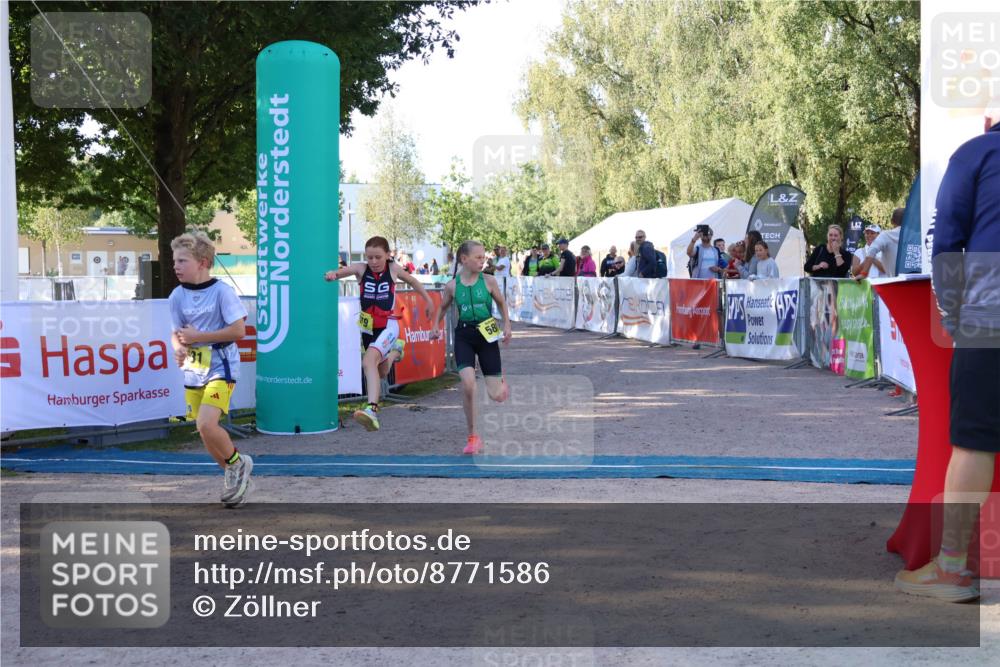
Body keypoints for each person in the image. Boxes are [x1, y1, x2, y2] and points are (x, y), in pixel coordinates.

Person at [895, 107, 1000, 602]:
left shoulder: (975, 153)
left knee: (974, 442)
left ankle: (953, 570)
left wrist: (957, 320)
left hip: (989, 312)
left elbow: (947, 245)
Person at [168, 231, 252, 508]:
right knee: (204, 430)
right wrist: (179, 348)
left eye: (182, 261)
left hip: (222, 366)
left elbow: (239, 331)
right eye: (174, 261)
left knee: (206, 423)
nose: (176, 266)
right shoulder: (177, 296)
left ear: (202, 263)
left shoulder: (222, 292)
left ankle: (238, 465)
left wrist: (198, 337)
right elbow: (177, 334)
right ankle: (234, 472)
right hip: (194, 370)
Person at [324, 236, 435, 432]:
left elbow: (412, 281)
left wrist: (428, 300)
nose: (374, 262)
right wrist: (333, 274)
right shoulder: (361, 269)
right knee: (382, 372)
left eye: (378, 257)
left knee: (368, 362)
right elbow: (342, 272)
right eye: (370, 257)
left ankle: (372, 410)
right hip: (368, 328)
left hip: (388, 326)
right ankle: (396, 352)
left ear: (388, 255)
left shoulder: (393, 269)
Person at [431, 240, 512, 454]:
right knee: (468, 384)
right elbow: (442, 307)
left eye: (483, 257)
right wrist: (435, 326)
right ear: (464, 259)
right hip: (464, 336)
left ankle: (500, 383)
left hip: (487, 335)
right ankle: (473, 437)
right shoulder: (452, 286)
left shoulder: (489, 281)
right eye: (478, 257)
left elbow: (501, 303)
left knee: (496, 395)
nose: (482, 261)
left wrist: (507, 325)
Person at [857, 208, 904, 278]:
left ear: (892, 221)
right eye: (867, 233)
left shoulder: (886, 235)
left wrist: (864, 273)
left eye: (872, 233)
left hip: (894, 281)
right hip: (916, 281)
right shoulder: (917, 236)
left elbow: (871, 251)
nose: (869, 235)